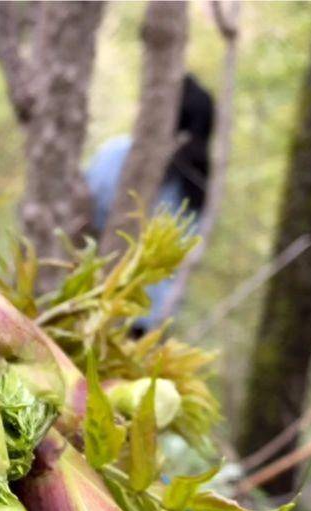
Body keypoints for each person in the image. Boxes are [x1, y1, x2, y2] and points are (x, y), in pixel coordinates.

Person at [86, 75, 215, 333]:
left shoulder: (119, 154)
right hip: (138, 316)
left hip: (114, 311)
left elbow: (87, 211)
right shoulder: (196, 187)